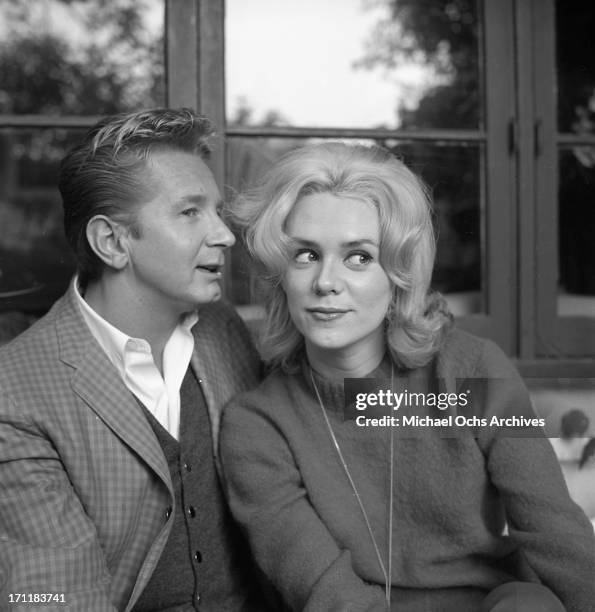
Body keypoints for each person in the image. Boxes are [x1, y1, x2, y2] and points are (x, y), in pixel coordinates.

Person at [219, 142, 595, 611]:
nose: (326, 282)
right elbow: (326, 592)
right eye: (305, 255)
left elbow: (553, 529)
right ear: (280, 273)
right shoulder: (257, 426)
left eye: (359, 257)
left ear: (398, 274)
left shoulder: (471, 371)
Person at [0, 108, 265, 611]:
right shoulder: (14, 392)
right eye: (190, 213)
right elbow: (52, 593)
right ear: (112, 241)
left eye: (216, 210)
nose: (225, 235)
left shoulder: (223, 328)